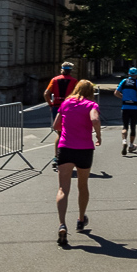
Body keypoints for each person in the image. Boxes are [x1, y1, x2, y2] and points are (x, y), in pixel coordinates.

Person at [52, 80, 102, 246]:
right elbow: (94, 120)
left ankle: (62, 224)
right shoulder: (91, 105)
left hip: (66, 148)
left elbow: (56, 125)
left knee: (62, 189)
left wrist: (67, 129)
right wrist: (98, 135)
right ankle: (81, 219)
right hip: (84, 149)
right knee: (82, 185)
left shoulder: (66, 103)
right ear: (90, 92)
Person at [44, 62, 77, 171]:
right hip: (69, 108)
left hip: (57, 107)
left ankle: (57, 157)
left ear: (62, 69)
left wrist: (50, 104)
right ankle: (69, 156)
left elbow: (46, 94)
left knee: (59, 133)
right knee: (69, 133)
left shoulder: (54, 80)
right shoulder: (74, 81)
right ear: (70, 70)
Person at [114, 67, 137, 156]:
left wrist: (123, 97)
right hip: (134, 107)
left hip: (125, 107)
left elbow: (116, 92)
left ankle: (124, 141)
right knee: (133, 126)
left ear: (129, 74)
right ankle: (131, 145)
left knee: (125, 126)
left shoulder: (124, 81)